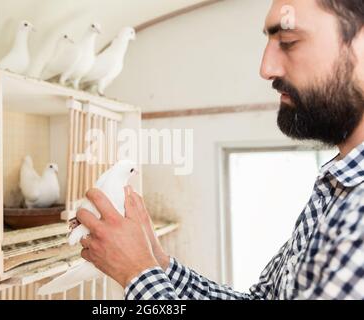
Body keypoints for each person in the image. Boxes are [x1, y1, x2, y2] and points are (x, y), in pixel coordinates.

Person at [72, 0, 364, 299]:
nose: (266, 68)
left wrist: (137, 272)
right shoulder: (338, 185)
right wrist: (156, 263)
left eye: (288, 41)